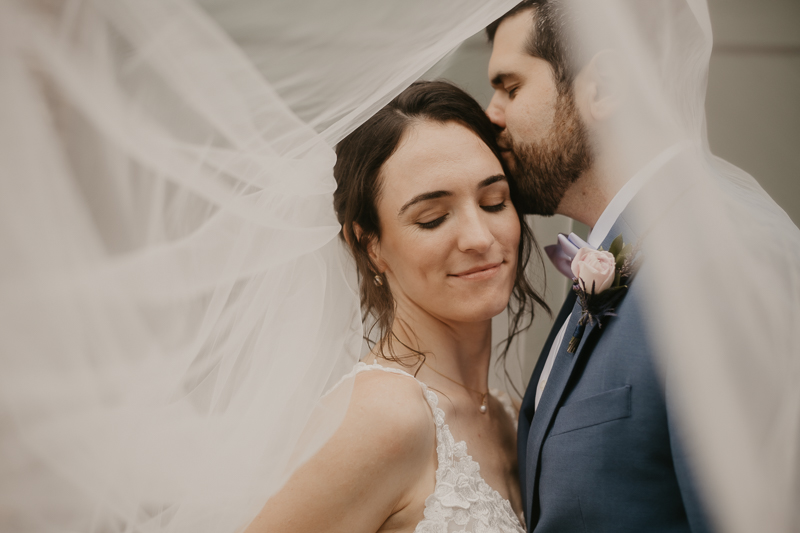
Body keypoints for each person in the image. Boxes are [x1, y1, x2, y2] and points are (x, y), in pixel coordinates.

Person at [244, 81, 548, 533]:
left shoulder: (510, 413)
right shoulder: (383, 418)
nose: (481, 238)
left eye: (494, 202)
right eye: (433, 218)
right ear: (370, 247)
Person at [484, 1, 716, 531]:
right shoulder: (613, 250)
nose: (491, 113)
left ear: (603, 86)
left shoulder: (707, 266)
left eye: (511, 87)